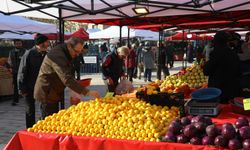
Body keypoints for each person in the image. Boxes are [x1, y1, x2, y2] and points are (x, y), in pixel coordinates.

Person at [34, 37, 100, 119]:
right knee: (48, 120)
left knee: (55, 118)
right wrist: (86, 92)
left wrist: (74, 91)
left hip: (54, 92)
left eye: (80, 52)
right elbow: (66, 77)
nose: (77, 54)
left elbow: (69, 74)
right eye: (76, 51)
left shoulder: (66, 53)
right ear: (69, 46)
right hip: (47, 92)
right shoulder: (57, 55)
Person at [18, 34, 49, 128]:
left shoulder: (46, 54)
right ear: (42, 43)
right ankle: (30, 129)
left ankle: (43, 127)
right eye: (47, 42)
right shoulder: (29, 54)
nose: (48, 43)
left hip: (42, 86)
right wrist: (22, 89)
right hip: (29, 87)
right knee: (30, 110)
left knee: (44, 108)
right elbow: (22, 72)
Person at [203, 31, 240, 104]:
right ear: (227, 41)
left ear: (216, 41)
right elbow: (238, 72)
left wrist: (207, 61)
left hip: (218, 92)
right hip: (232, 90)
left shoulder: (215, 53)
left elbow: (206, 71)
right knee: (230, 110)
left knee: (221, 111)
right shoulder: (233, 54)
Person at [8, 39, 26, 106]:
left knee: (24, 84)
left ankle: (26, 99)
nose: (18, 45)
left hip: (23, 72)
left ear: (21, 44)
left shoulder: (25, 51)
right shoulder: (11, 52)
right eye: (17, 43)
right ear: (14, 44)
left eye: (19, 43)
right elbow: (9, 60)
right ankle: (15, 100)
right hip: (15, 71)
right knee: (15, 86)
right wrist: (10, 67)